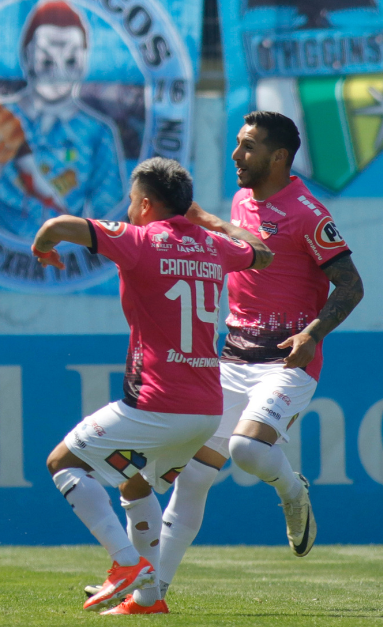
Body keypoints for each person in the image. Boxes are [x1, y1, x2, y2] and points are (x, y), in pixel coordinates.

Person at [37, 157, 271, 615]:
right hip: (206, 411)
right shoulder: (214, 246)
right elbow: (262, 252)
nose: (127, 210)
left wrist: (42, 242)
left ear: (145, 204)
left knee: (62, 463)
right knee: (135, 483)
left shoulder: (140, 240)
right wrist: (211, 222)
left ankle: (126, 563)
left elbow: (60, 224)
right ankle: (149, 598)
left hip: (156, 405)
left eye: (130, 202)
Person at [150, 111, 364, 599]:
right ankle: (152, 593)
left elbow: (352, 285)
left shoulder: (308, 213)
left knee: (247, 450)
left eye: (247, 147)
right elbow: (243, 246)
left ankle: (294, 493)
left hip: (287, 363)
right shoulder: (242, 199)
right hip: (232, 361)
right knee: (192, 479)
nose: (236, 155)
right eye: (238, 144)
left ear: (279, 157)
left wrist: (312, 333)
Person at [0, 0, 124, 240]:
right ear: (27, 57)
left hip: (67, 256)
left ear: (83, 62)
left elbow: (111, 226)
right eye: (47, 60)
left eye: (70, 60)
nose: (58, 70)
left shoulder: (97, 133)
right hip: (11, 256)